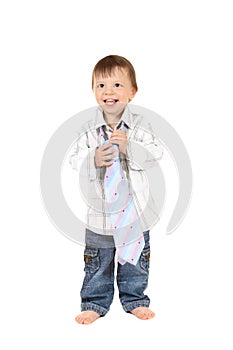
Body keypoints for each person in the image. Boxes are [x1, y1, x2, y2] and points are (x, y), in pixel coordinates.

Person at [70, 55, 163, 324]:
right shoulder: (88, 129)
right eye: (101, 86)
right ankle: (94, 302)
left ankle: (134, 298)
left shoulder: (141, 127)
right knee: (98, 262)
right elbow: (74, 160)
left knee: (135, 261)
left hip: (135, 213)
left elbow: (156, 154)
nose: (108, 92)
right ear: (94, 92)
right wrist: (93, 159)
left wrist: (130, 148)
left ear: (132, 92)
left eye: (117, 85)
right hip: (100, 215)